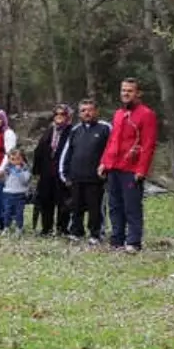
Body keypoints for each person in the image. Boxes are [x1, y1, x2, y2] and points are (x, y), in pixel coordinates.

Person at [100, 78, 158, 253]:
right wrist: (104, 161)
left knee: (131, 206)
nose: (126, 93)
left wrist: (142, 169)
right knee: (114, 205)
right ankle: (117, 239)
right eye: (123, 90)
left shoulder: (146, 114)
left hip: (131, 169)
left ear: (138, 93)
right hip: (114, 166)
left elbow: (148, 145)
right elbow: (112, 140)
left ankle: (133, 241)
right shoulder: (118, 114)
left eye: (130, 91)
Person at [60, 99, 111, 244]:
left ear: (96, 111)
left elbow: (111, 150)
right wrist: (65, 173)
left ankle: (96, 234)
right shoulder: (76, 130)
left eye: (89, 109)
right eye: (83, 110)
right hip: (76, 177)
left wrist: (107, 170)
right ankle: (76, 232)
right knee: (76, 207)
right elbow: (67, 152)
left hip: (96, 178)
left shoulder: (105, 128)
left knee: (95, 208)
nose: (86, 113)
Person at [31, 104, 72, 236]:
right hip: (46, 173)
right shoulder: (49, 130)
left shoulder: (72, 131)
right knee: (45, 201)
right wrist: (36, 172)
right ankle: (46, 229)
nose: (59, 116)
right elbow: (39, 151)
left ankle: (62, 229)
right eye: (57, 114)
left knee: (63, 203)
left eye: (62, 114)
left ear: (68, 117)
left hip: (62, 173)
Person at [2, 148, 32, 235]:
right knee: (7, 212)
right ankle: (6, 227)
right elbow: (4, 179)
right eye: (12, 159)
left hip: (20, 194)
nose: (15, 161)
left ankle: (19, 227)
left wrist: (19, 171)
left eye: (18, 159)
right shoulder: (8, 169)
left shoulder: (25, 169)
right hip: (8, 194)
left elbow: (25, 181)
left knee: (19, 212)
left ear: (22, 159)